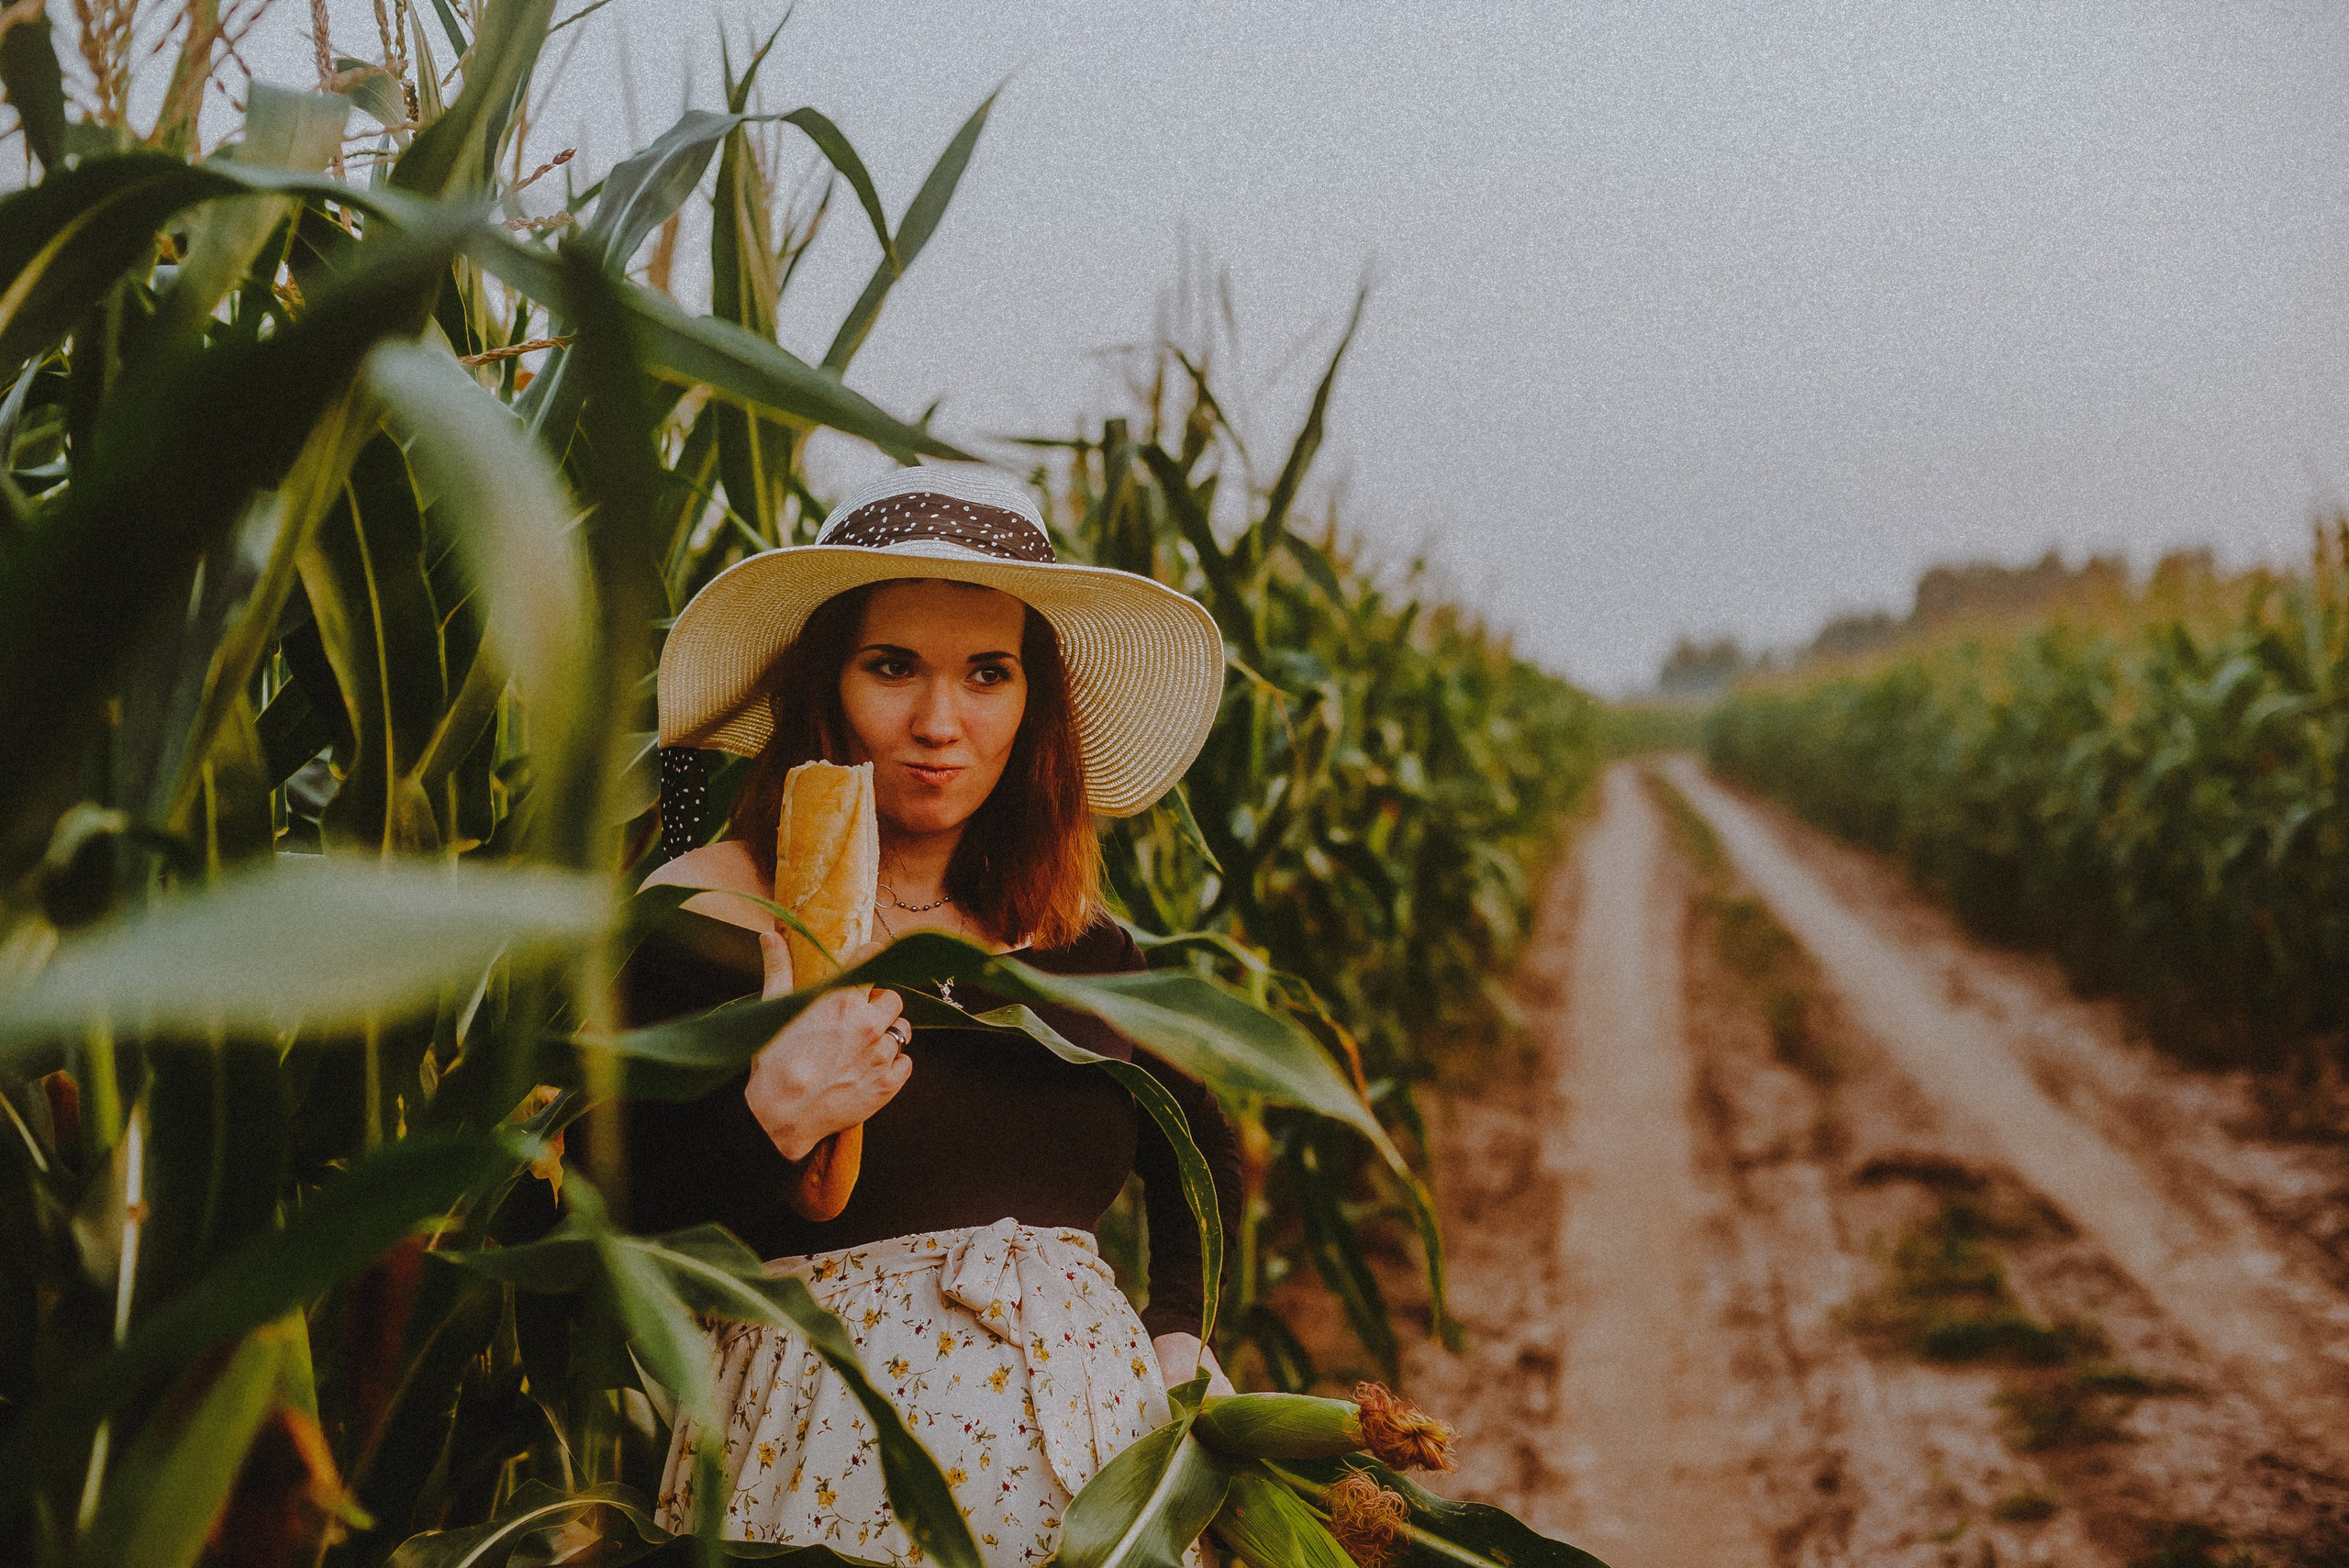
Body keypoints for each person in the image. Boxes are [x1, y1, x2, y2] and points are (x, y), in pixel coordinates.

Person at [618, 465, 1243, 1563]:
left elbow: (1202, 1156)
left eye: (988, 674)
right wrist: (769, 1116)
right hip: (817, 1498)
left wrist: (1180, 1331)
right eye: (892, 666)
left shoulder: (1085, 949)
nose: (938, 722)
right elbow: (601, 1214)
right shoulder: (709, 915)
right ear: (826, 682)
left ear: (1032, 707)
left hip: (1100, 1497)